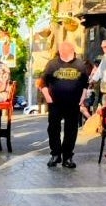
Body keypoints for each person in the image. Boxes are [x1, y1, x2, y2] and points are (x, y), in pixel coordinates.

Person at [37, 40, 92, 169]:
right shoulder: (52, 64)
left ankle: (67, 156)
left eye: (70, 53)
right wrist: (48, 97)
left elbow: (85, 83)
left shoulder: (80, 65)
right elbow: (43, 82)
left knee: (71, 130)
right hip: (55, 102)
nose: (68, 56)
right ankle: (55, 154)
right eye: (65, 53)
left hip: (73, 102)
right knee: (53, 128)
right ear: (61, 52)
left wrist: (82, 98)